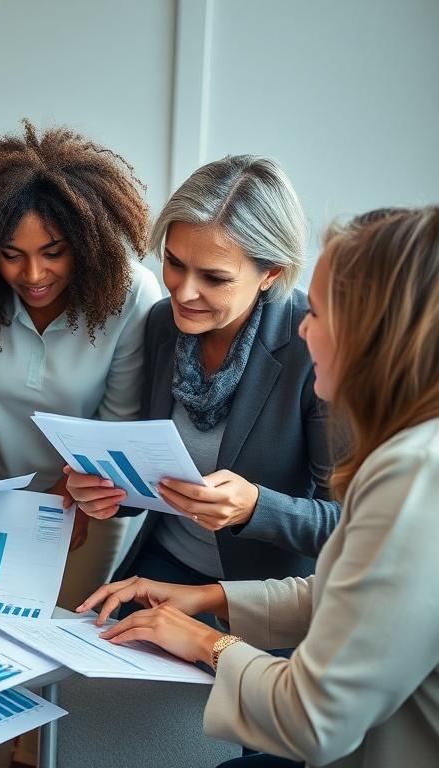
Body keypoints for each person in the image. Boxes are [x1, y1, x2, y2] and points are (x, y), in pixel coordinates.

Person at [82, 206, 439, 767]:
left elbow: (314, 721)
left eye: (318, 312)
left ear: (373, 334)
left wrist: (206, 638)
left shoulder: (414, 476)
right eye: (174, 264)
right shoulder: (412, 456)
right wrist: (209, 599)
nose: (303, 326)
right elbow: (350, 588)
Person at [67, 156, 340, 608]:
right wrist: (105, 492)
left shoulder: (313, 347)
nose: (183, 291)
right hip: (160, 569)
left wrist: (256, 507)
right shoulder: (161, 324)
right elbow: (150, 485)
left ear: (270, 273)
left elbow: (351, 524)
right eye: (174, 263)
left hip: (264, 597)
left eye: (214, 278)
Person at [0, 121, 161, 596]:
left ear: (83, 242)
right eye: (11, 255)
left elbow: (118, 418)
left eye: (53, 253)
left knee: (55, 640)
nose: (33, 274)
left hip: (88, 495)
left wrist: (72, 496)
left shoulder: (130, 294)